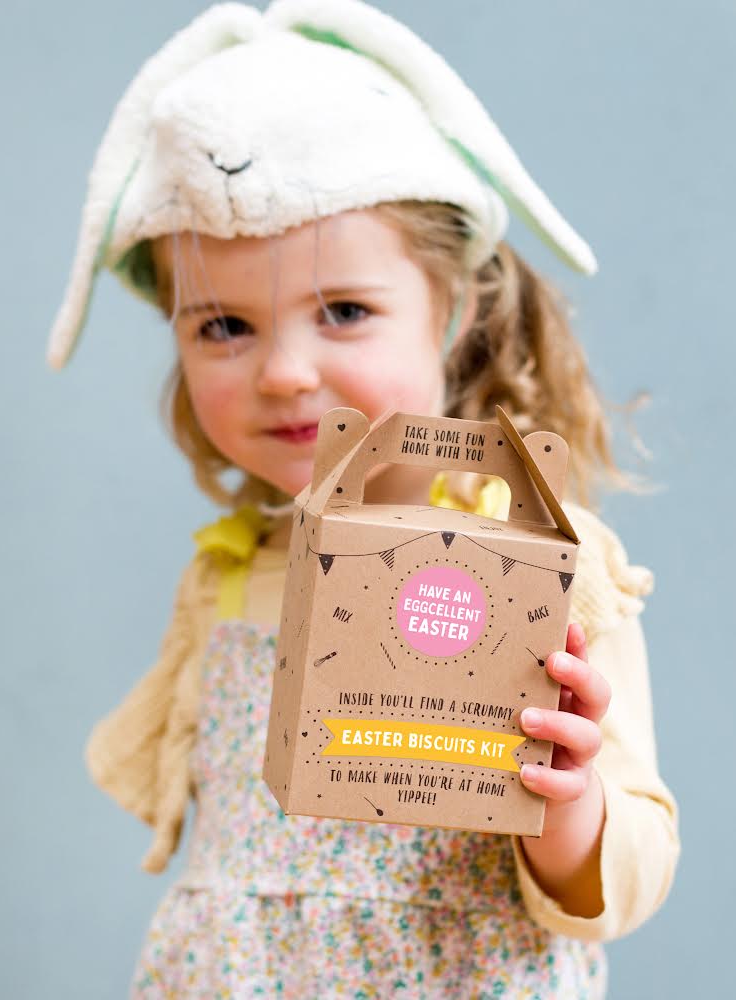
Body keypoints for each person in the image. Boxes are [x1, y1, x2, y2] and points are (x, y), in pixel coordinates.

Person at [48, 1, 679, 996]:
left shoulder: (547, 564)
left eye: (344, 311)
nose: (286, 372)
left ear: (454, 308)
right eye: (223, 327)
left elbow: (626, 879)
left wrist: (572, 810)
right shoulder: (223, 578)